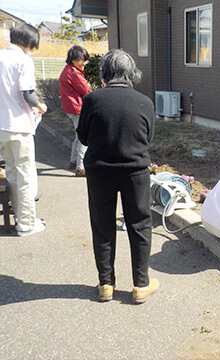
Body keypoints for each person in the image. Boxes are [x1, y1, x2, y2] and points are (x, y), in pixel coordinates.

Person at [77, 49, 157, 304]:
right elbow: (148, 138)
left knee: (103, 226)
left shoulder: (91, 100)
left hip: (100, 171)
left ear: (104, 73)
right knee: (140, 225)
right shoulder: (144, 101)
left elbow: (83, 137)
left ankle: (106, 285)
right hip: (135, 172)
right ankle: (141, 285)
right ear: (130, 74)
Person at [0, 23, 47, 236]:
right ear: (28, 42)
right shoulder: (23, 60)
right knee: (25, 177)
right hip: (18, 126)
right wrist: (40, 106)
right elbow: (28, 94)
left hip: (1, 126)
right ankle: (26, 224)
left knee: (11, 173)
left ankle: (20, 218)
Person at [59, 45, 91, 177]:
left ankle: (73, 161)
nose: (83, 63)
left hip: (71, 108)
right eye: (80, 60)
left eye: (84, 60)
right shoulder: (74, 73)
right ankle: (81, 167)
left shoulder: (67, 70)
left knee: (78, 136)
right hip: (77, 108)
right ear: (72, 59)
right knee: (84, 138)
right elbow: (86, 91)